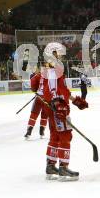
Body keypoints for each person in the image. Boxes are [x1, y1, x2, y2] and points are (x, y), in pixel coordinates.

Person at [41, 49, 88, 181]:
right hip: (58, 107)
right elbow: (53, 87)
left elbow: (62, 90)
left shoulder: (48, 68)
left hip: (53, 106)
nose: (60, 55)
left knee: (55, 136)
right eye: (58, 53)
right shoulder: (53, 67)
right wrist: (57, 103)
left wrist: (76, 101)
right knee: (65, 136)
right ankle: (63, 167)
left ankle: (50, 165)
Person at [24, 64, 47, 139]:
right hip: (47, 99)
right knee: (44, 115)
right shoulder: (52, 77)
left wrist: (35, 90)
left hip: (39, 98)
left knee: (34, 114)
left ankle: (29, 131)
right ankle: (41, 131)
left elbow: (33, 86)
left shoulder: (37, 76)